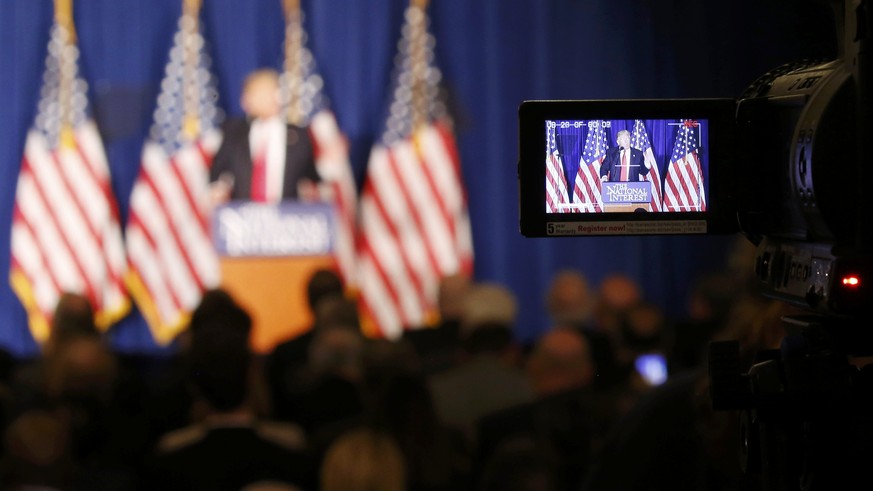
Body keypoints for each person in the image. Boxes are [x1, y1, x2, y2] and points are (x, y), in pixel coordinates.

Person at [210, 68, 321, 204]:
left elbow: (312, 179)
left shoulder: (299, 135)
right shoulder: (233, 133)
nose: (244, 101)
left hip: (286, 219)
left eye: (254, 94)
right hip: (243, 219)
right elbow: (217, 175)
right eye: (246, 94)